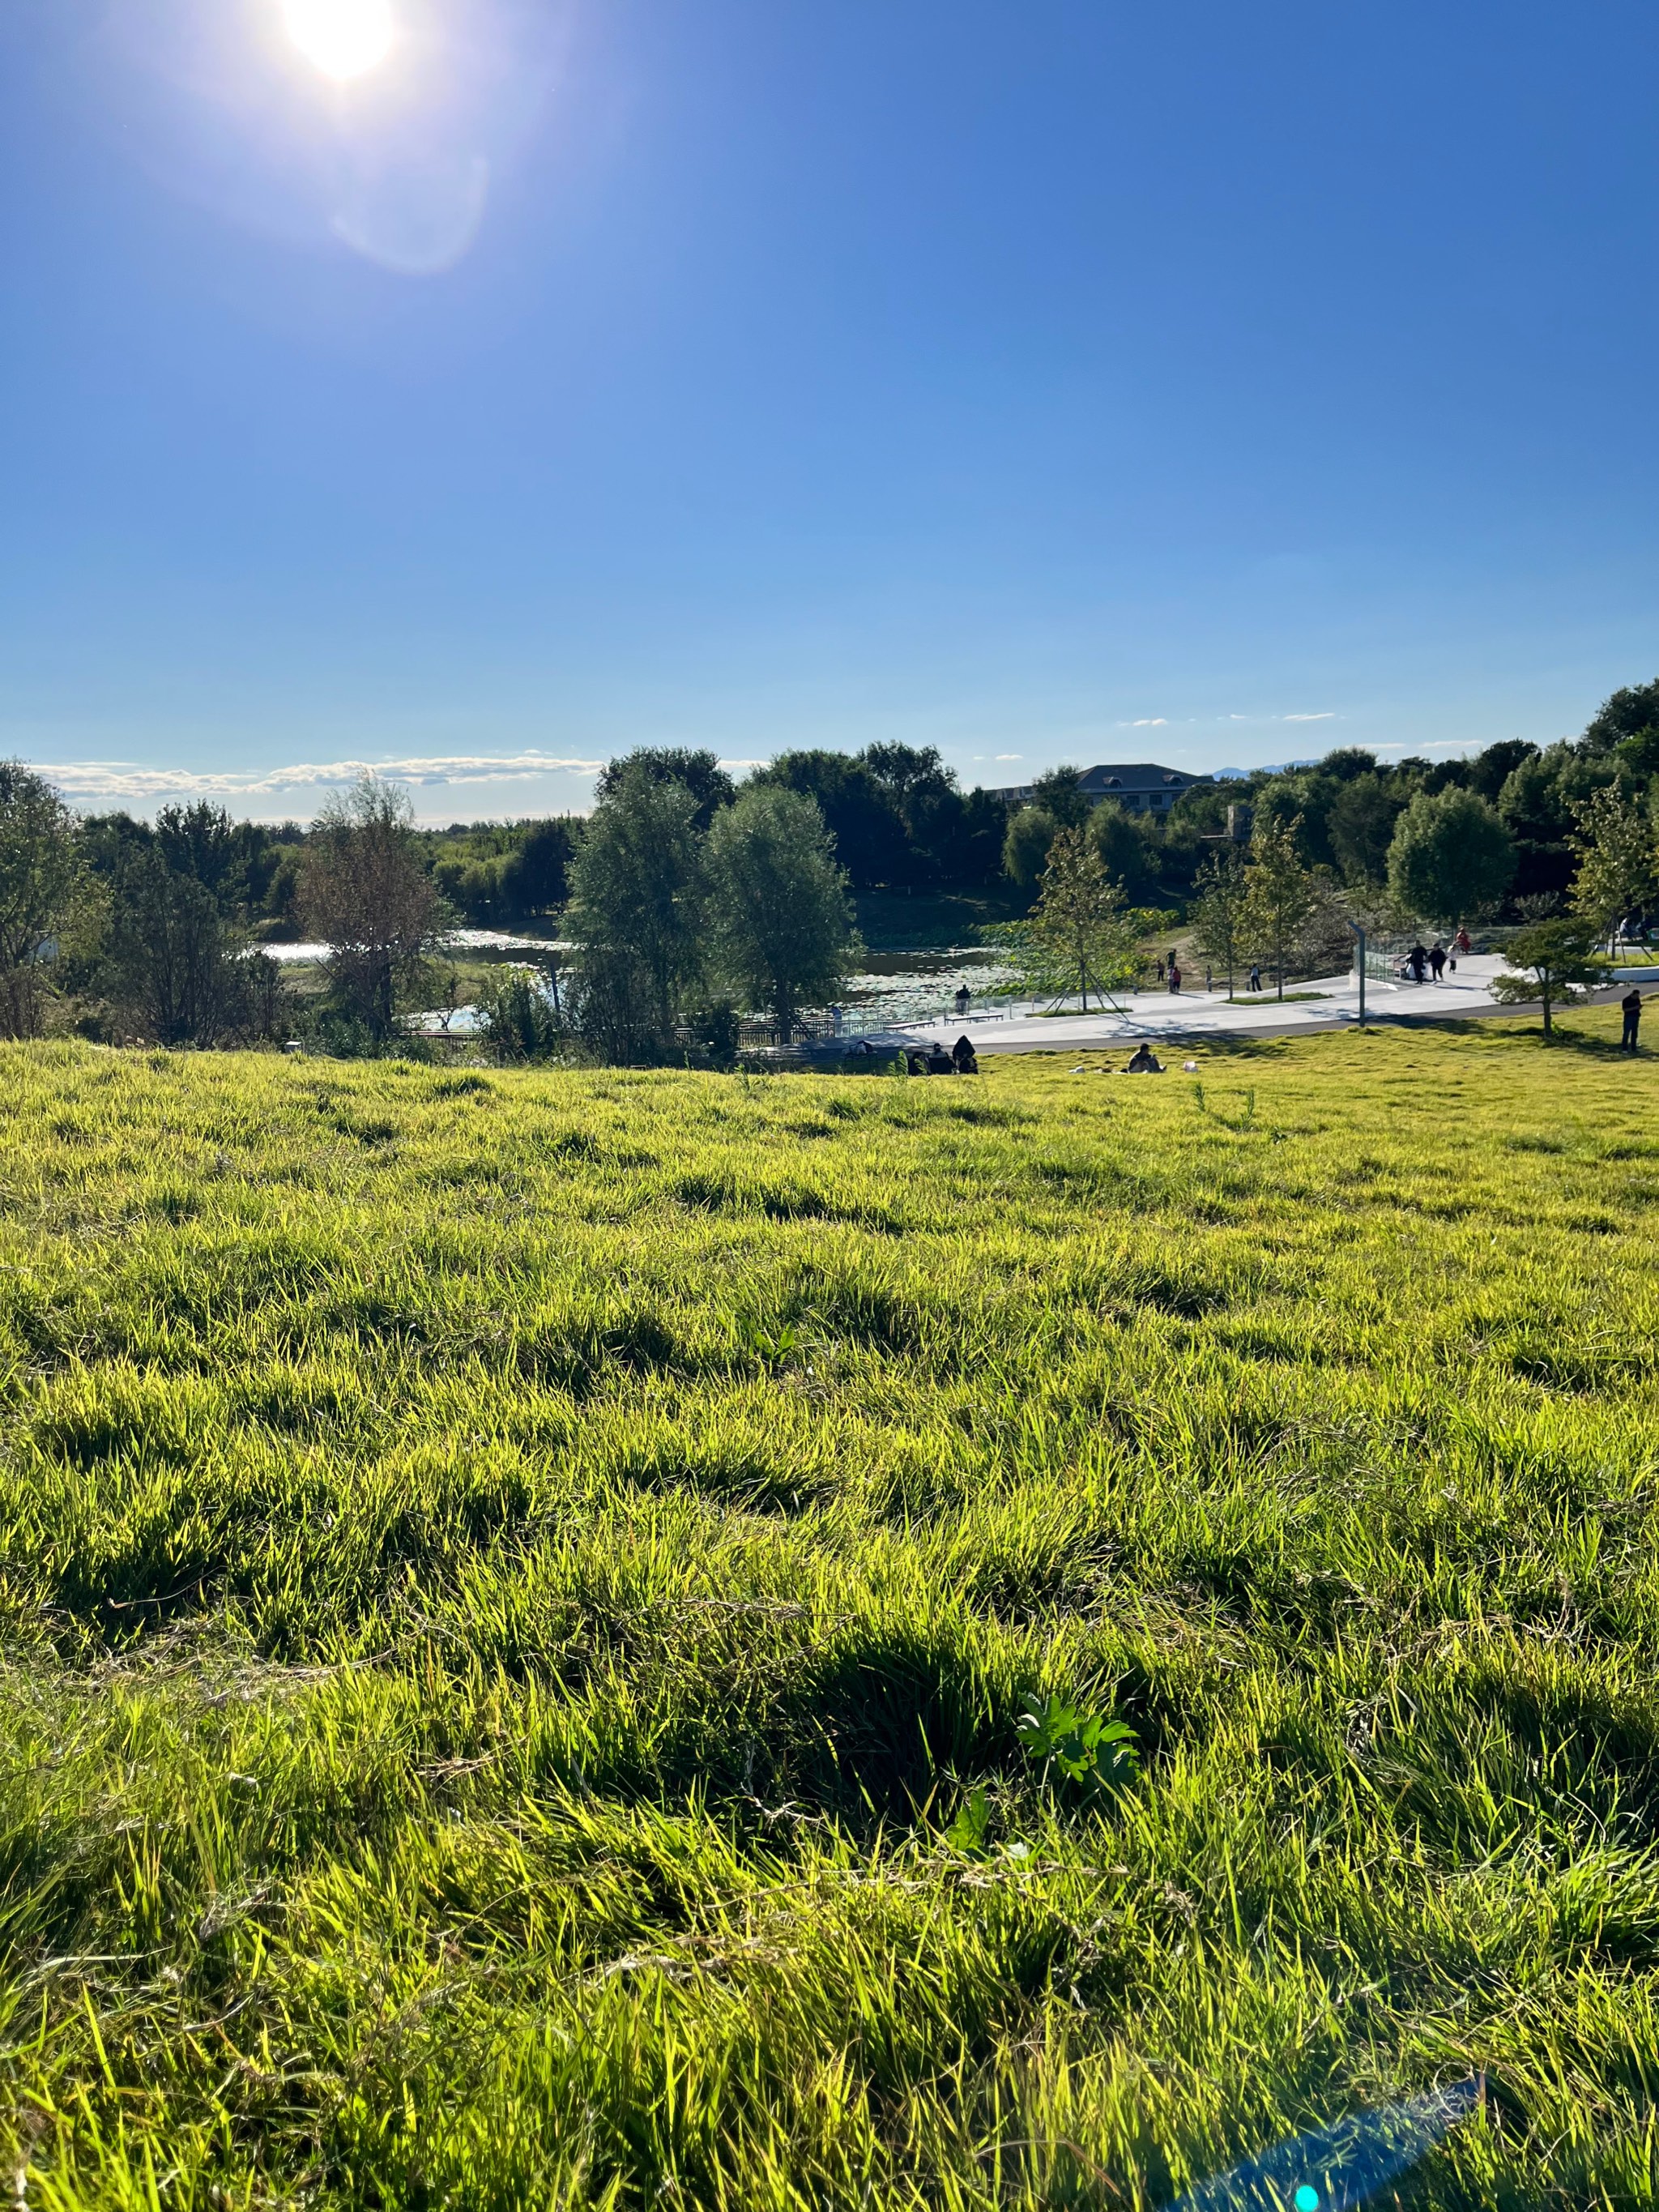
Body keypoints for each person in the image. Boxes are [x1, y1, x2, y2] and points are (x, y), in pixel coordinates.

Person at [1622, 987, 1645, 1053]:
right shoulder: (1626, 1000)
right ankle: (1624, 1049)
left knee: (1635, 1034)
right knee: (1626, 1033)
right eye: (1636, 995)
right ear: (1633, 994)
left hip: (1636, 1017)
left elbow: (1638, 1006)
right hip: (1628, 1018)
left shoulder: (1637, 999)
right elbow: (1625, 1010)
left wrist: (1639, 1007)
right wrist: (1634, 1008)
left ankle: (1634, 1048)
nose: (1637, 997)